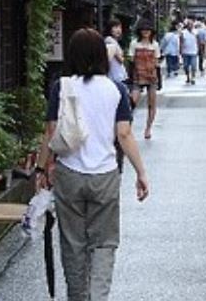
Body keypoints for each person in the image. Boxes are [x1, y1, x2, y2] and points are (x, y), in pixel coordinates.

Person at [36, 28, 150, 301]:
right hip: (105, 176)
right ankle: (99, 297)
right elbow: (124, 134)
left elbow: (50, 133)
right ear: (102, 56)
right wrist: (141, 173)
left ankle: (78, 297)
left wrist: (41, 169)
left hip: (69, 174)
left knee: (73, 242)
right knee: (104, 242)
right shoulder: (116, 90)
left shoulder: (60, 87)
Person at [128, 20, 161, 139]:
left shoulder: (155, 45)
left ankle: (148, 128)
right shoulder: (134, 44)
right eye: (143, 29)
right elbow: (131, 61)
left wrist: (159, 79)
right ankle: (127, 127)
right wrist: (130, 78)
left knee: (152, 104)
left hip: (152, 76)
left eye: (148, 30)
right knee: (132, 102)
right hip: (138, 76)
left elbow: (157, 63)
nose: (146, 32)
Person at [104, 19, 128, 85]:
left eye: (120, 27)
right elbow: (120, 59)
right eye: (115, 27)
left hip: (117, 74)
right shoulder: (110, 40)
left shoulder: (114, 41)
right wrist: (122, 58)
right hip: (114, 75)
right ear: (110, 29)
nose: (118, 30)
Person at [180, 21, 199, 85]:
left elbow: (197, 41)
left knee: (193, 65)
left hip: (193, 51)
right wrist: (181, 50)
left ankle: (193, 77)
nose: (190, 26)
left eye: (191, 24)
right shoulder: (183, 32)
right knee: (186, 66)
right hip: (185, 52)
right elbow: (181, 42)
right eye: (189, 24)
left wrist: (199, 49)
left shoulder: (196, 32)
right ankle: (188, 77)